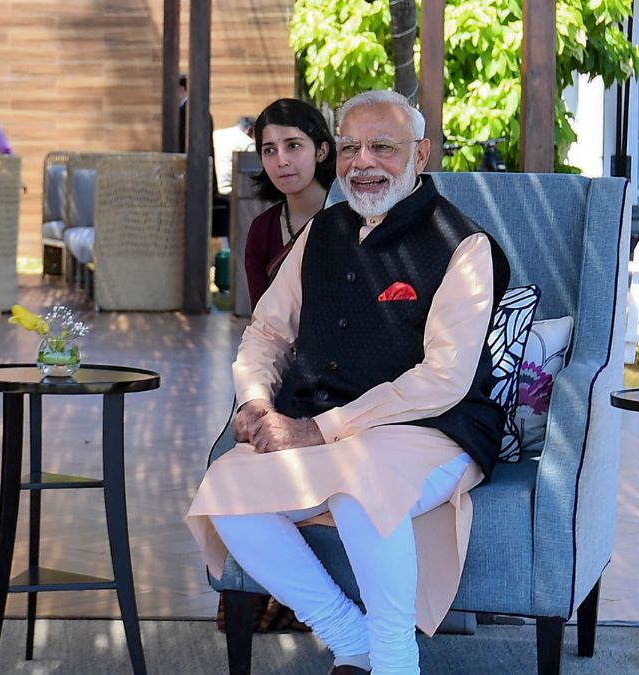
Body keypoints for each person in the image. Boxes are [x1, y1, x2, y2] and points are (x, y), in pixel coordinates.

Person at [186, 90, 510, 675]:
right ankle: (348, 636)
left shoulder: (464, 244)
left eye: (384, 147)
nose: (364, 161)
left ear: (421, 153)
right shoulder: (323, 230)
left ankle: (393, 660)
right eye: (352, 147)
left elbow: (444, 379)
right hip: (327, 426)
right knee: (226, 489)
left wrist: (317, 428)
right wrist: (257, 400)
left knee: (364, 489)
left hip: (433, 430)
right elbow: (267, 331)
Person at [244, 99, 336, 309]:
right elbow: (262, 319)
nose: (281, 160)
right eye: (269, 150)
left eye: (293, 146)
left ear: (321, 151)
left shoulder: (353, 218)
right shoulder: (262, 230)